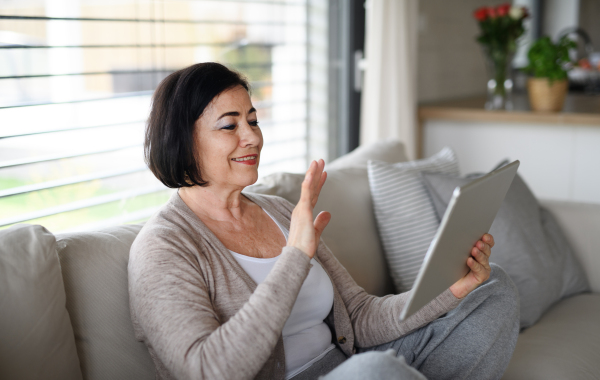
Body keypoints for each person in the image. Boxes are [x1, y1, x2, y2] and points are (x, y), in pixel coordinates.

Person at [128, 62, 520, 380]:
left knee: (495, 288)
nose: (252, 137)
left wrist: (451, 290)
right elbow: (210, 370)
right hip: (362, 372)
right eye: (230, 125)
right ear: (182, 140)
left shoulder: (279, 211)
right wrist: (295, 255)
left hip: (355, 366)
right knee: (377, 372)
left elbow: (362, 318)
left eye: (253, 120)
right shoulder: (162, 247)